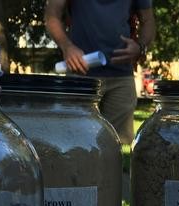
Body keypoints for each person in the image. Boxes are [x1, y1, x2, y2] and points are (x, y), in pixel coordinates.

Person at [44, 0, 156, 145]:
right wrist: (67, 47)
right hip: (81, 77)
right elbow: (52, 14)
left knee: (118, 146)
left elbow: (148, 20)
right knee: (76, 143)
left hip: (121, 77)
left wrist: (140, 47)